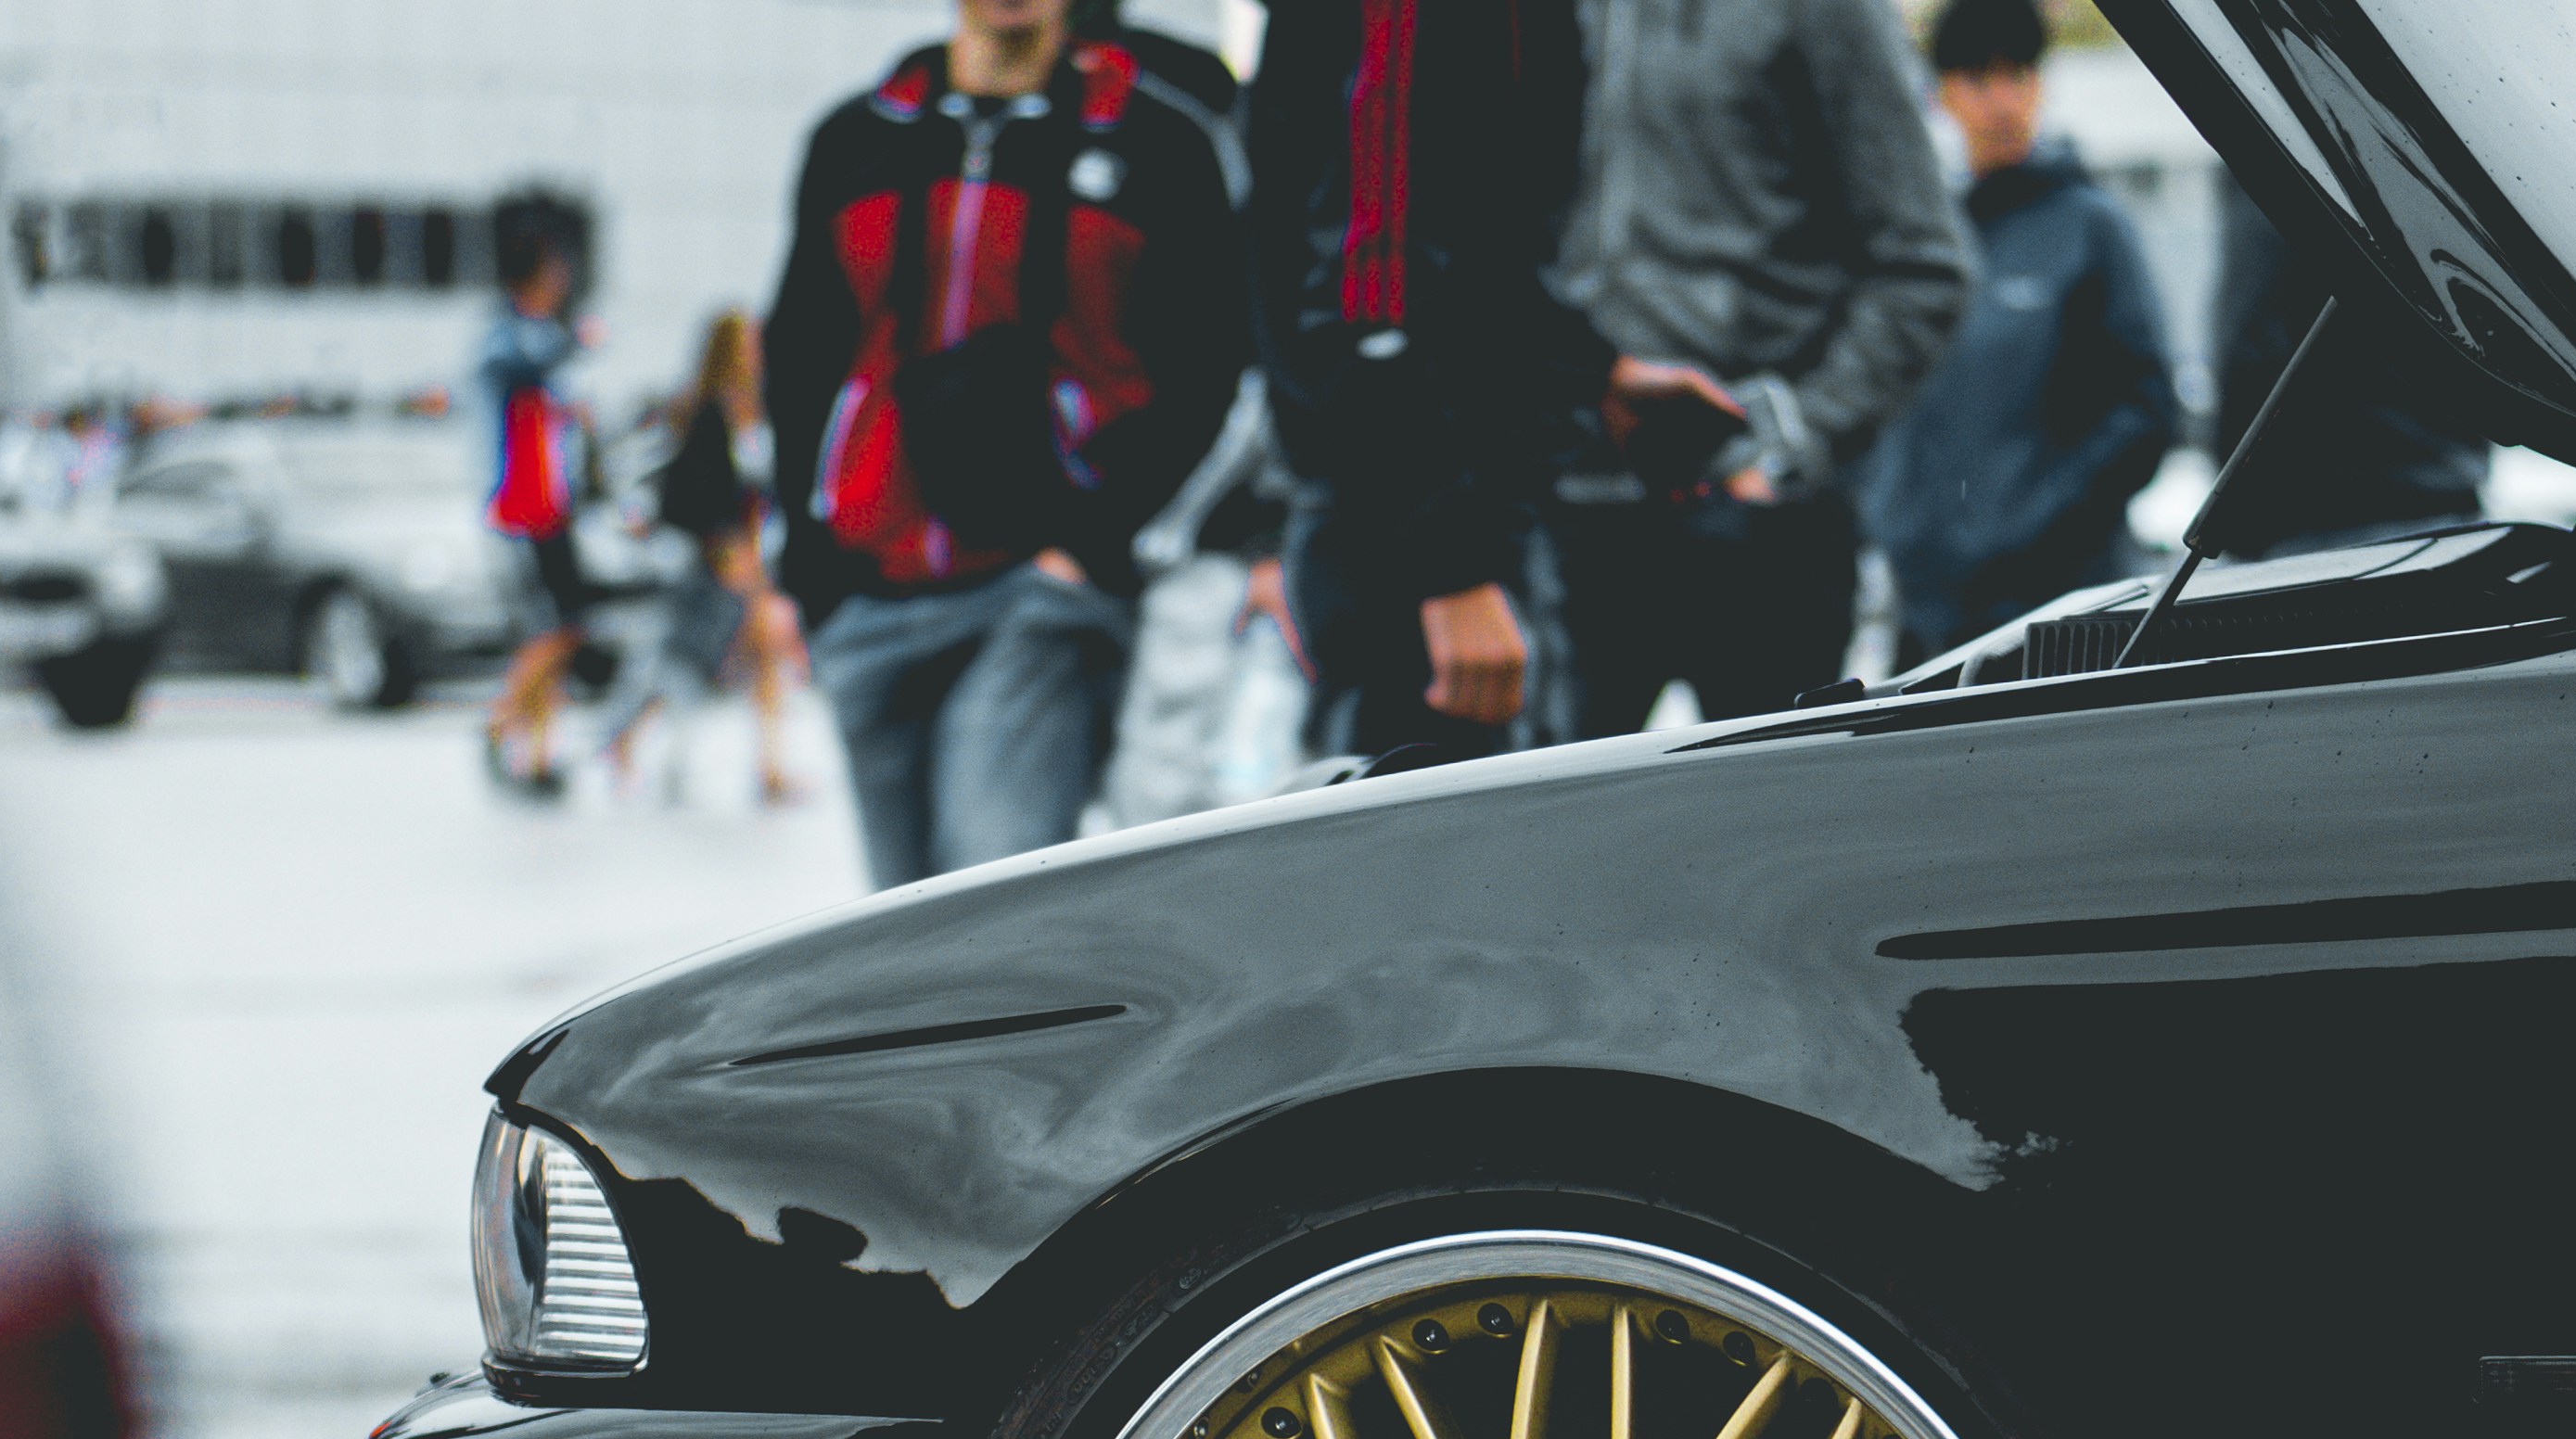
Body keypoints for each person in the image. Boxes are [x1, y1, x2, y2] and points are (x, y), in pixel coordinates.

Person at [763, 0, 1246, 887]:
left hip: (1035, 596)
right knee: (900, 927)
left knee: (989, 912)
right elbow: (799, 357)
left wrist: (1094, 546)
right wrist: (807, 565)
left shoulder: (1157, 145)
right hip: (867, 592)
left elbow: (1210, 370)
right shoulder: (858, 137)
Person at [1249, 0, 1755, 764]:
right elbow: (1367, 299)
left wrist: (1594, 374)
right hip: (1418, 539)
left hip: (1458, 517)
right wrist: (1452, 568)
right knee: (1429, 866)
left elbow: (1477, 246)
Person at [1546, 0, 1970, 734]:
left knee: (1770, 840)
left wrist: (1793, 433)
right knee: (1545, 836)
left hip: (1756, 524)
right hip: (1579, 511)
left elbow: (1925, 266)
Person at [1859, 0, 2175, 665]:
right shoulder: (1919, 244)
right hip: (1929, 611)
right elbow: (1880, 401)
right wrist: (1899, 527)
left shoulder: (2092, 231)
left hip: (2063, 611)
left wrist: (2036, 522)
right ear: (1942, 92)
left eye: (2019, 74)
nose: (2002, 100)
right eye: (1979, 78)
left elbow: (2148, 411)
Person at [2211, 172, 2488, 557]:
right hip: (2450, 500)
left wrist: (2234, 519)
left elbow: (2252, 345)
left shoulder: (2277, 157)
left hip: (2325, 519)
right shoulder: (2434, 159)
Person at [600, 312, 807, 806]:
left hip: (747, 561)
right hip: (715, 564)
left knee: (760, 661)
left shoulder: (751, 411)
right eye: (748, 343)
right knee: (687, 665)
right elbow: (699, 495)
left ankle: (771, 769)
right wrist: (729, 553)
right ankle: (625, 738)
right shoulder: (708, 412)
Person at [478, 227, 601, 796]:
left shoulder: (540, 340)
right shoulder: (505, 337)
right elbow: (530, 360)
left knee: (567, 631)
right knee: (548, 631)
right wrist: (575, 338)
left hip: (554, 509)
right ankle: (501, 726)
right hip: (523, 512)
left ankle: (539, 753)